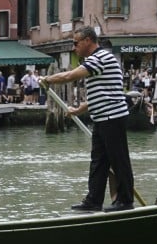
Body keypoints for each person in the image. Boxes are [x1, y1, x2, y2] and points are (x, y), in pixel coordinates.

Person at [42, 26, 135, 212]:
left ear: (88, 41)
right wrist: (79, 109)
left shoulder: (100, 58)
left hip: (112, 117)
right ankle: (94, 200)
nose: (74, 47)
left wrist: (48, 79)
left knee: (118, 159)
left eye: (76, 43)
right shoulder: (95, 60)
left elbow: (70, 75)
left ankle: (125, 200)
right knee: (98, 161)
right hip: (102, 117)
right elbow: (99, 94)